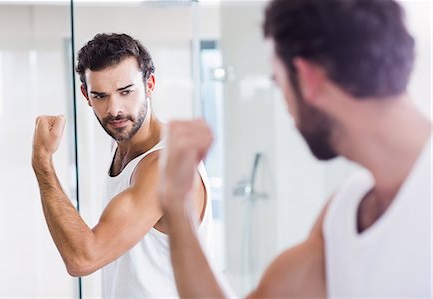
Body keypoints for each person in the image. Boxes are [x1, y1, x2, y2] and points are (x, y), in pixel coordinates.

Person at [158, 0, 432, 297]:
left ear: (307, 77)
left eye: (279, 83)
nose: (286, 106)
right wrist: (177, 205)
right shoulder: (346, 211)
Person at [31, 33, 213, 298]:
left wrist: (42, 162)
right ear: (86, 95)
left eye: (126, 92)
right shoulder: (123, 145)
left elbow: (83, 259)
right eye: (101, 96)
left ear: (149, 84)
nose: (114, 109)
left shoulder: (165, 168)